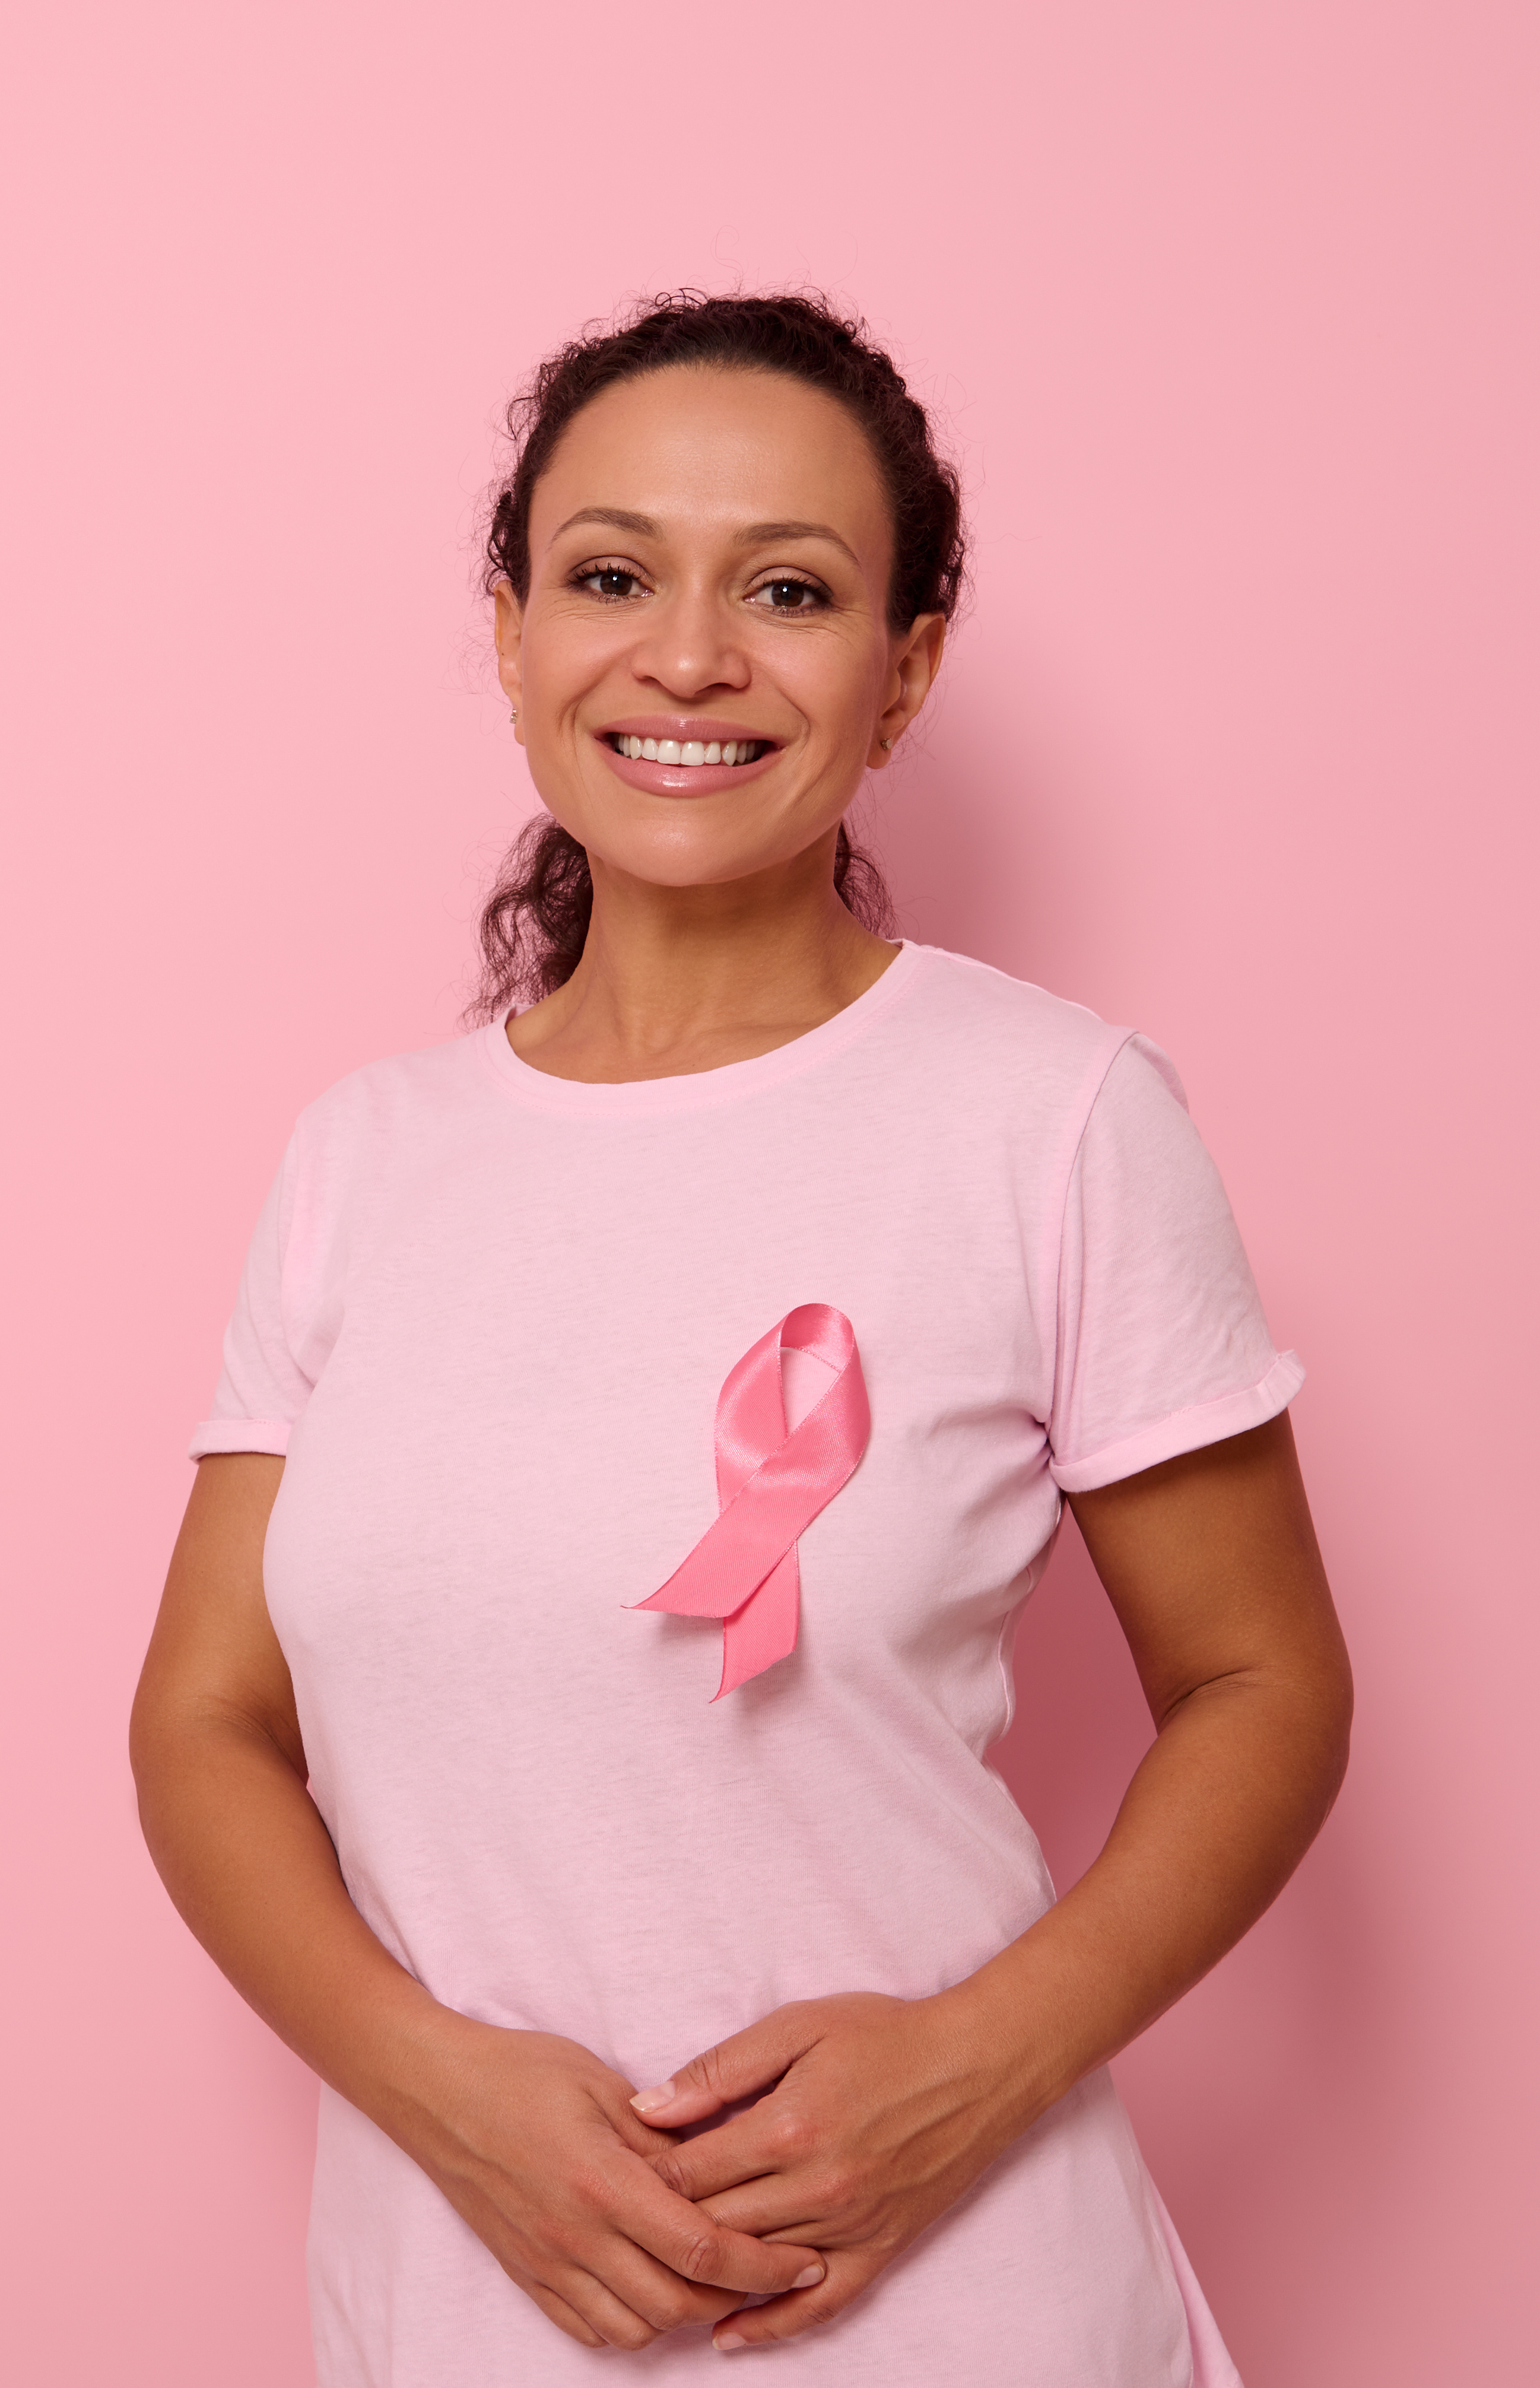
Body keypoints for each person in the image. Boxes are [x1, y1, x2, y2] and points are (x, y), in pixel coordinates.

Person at [130, 292, 1350, 2384]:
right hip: (460, 2310)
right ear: (511, 632)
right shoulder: (368, 1158)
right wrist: (443, 2094)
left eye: (789, 589)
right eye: (611, 576)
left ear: (907, 670)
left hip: (951, 2311)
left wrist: (977, 2067)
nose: (689, 656)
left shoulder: (1050, 1116)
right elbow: (204, 1728)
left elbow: (1261, 1679)